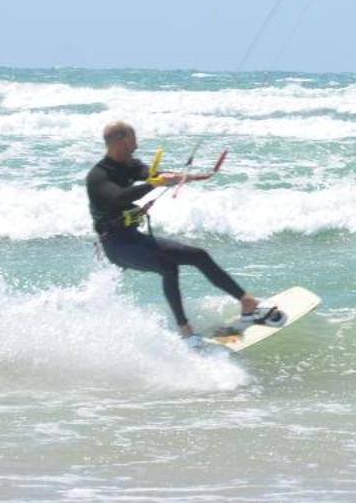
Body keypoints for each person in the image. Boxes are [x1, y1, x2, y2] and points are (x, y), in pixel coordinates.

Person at [86, 120, 258, 339]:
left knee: (199, 255)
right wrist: (155, 184)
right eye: (133, 139)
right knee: (168, 267)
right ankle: (185, 330)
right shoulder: (98, 176)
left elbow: (151, 173)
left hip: (134, 238)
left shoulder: (131, 165)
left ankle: (248, 303)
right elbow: (120, 197)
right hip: (115, 246)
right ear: (122, 141)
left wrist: (185, 177)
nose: (137, 145)